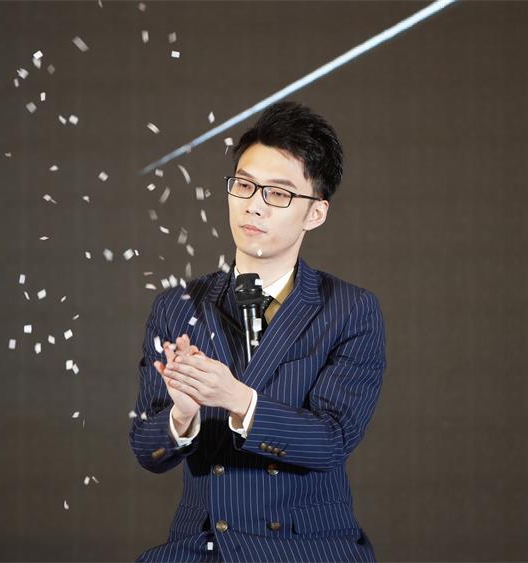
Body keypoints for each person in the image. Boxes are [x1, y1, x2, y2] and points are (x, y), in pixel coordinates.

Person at [129, 101, 386, 562]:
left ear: (316, 213)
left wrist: (237, 399)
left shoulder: (350, 310)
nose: (254, 205)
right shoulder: (178, 305)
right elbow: (148, 453)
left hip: (308, 548)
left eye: (278, 193)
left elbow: (331, 441)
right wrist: (181, 416)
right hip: (204, 547)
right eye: (245, 185)